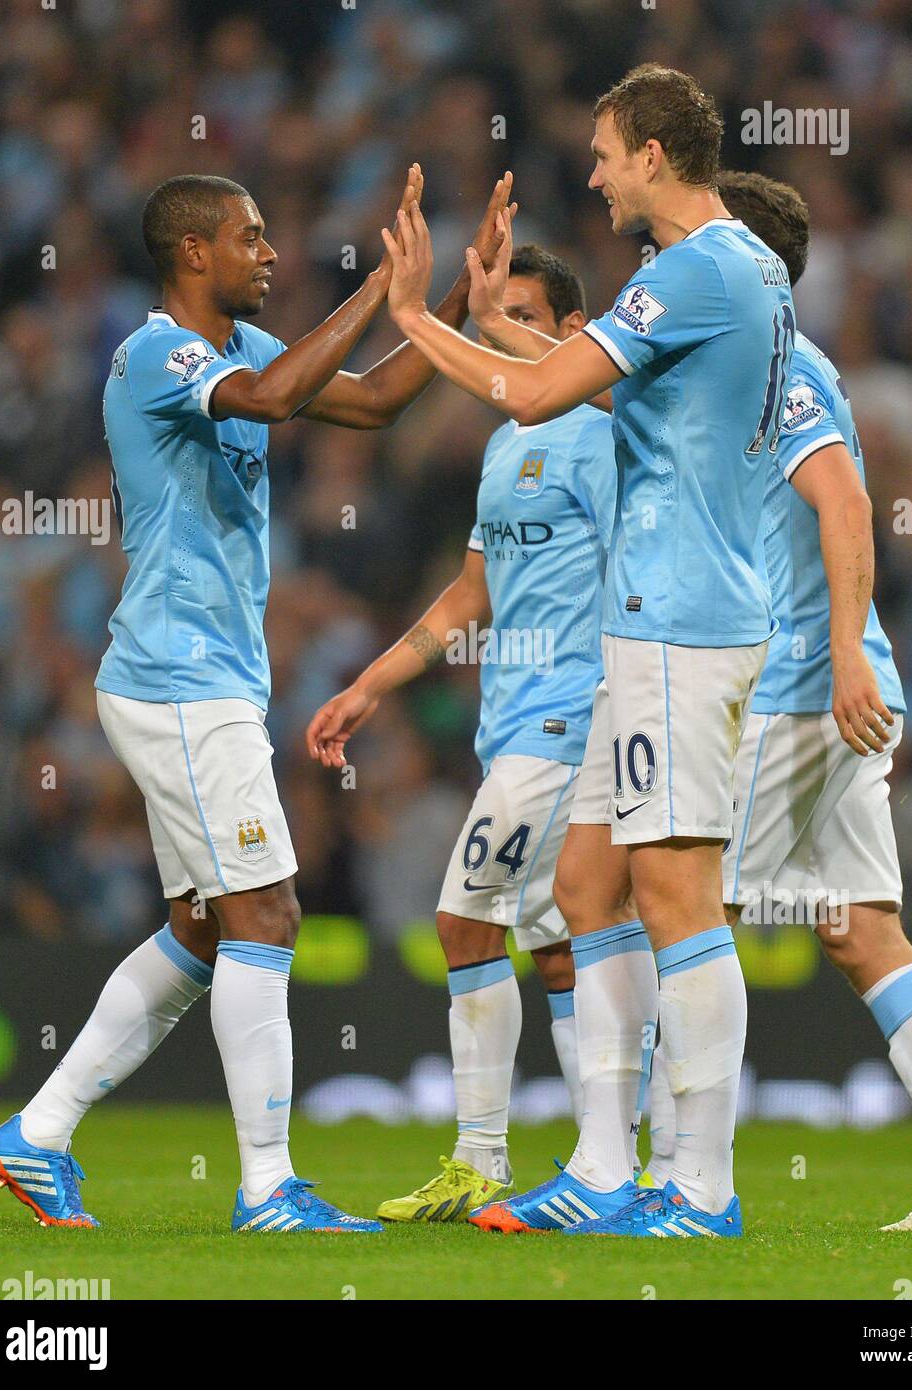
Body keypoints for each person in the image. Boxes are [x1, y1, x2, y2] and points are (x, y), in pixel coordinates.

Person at [0, 167, 515, 1235]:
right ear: (192, 252)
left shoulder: (244, 350)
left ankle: (37, 1133)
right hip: (179, 680)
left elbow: (367, 399)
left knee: (205, 926)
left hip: (205, 681)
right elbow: (273, 404)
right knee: (268, 910)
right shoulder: (156, 356)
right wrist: (377, 289)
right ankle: (270, 1187)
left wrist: (443, 297)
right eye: (251, 236)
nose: (270, 253)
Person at [377, 65, 796, 1236]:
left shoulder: (699, 268)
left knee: (675, 893)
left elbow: (537, 394)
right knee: (584, 884)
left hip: (682, 619)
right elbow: (623, 397)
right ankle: (605, 1170)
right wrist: (492, 321)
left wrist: (419, 322)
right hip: (655, 626)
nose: (597, 173)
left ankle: (698, 1187)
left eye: (607, 152)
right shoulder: (736, 272)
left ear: (655, 154)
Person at [634, 170, 912, 1235]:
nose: (666, 259)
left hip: (802, 689)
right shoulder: (737, 370)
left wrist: (848, 650)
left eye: (688, 242)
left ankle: (680, 1181)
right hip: (821, 685)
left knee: (684, 904)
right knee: (858, 930)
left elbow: (846, 501)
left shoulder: (785, 371)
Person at [306, 244, 618, 1221]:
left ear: (573, 333)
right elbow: (469, 597)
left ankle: (483, 1156)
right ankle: (607, 1164)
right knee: (554, 942)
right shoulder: (505, 445)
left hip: (572, 717)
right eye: (492, 315)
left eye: (519, 316)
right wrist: (373, 683)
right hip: (511, 717)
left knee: (462, 914)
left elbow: (642, 575)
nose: (499, 334)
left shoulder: (602, 439)